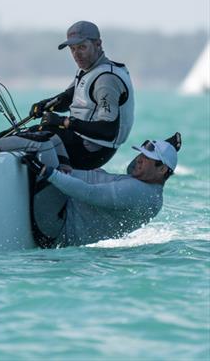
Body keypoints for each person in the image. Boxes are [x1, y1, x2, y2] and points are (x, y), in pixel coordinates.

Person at [23, 133, 180, 248]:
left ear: (162, 169)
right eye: (141, 154)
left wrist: (46, 172)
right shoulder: (146, 188)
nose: (139, 159)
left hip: (56, 222)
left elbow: (88, 193)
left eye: (147, 158)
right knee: (54, 138)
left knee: (43, 142)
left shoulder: (139, 192)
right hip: (60, 208)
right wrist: (167, 148)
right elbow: (132, 169)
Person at [28, 21, 135, 170]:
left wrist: (65, 122)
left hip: (93, 152)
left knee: (36, 134)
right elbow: (67, 99)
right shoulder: (88, 70)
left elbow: (108, 131)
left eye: (82, 47)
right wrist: (44, 105)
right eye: (72, 49)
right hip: (80, 142)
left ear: (98, 44)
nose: (76, 54)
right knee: (35, 131)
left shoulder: (106, 79)